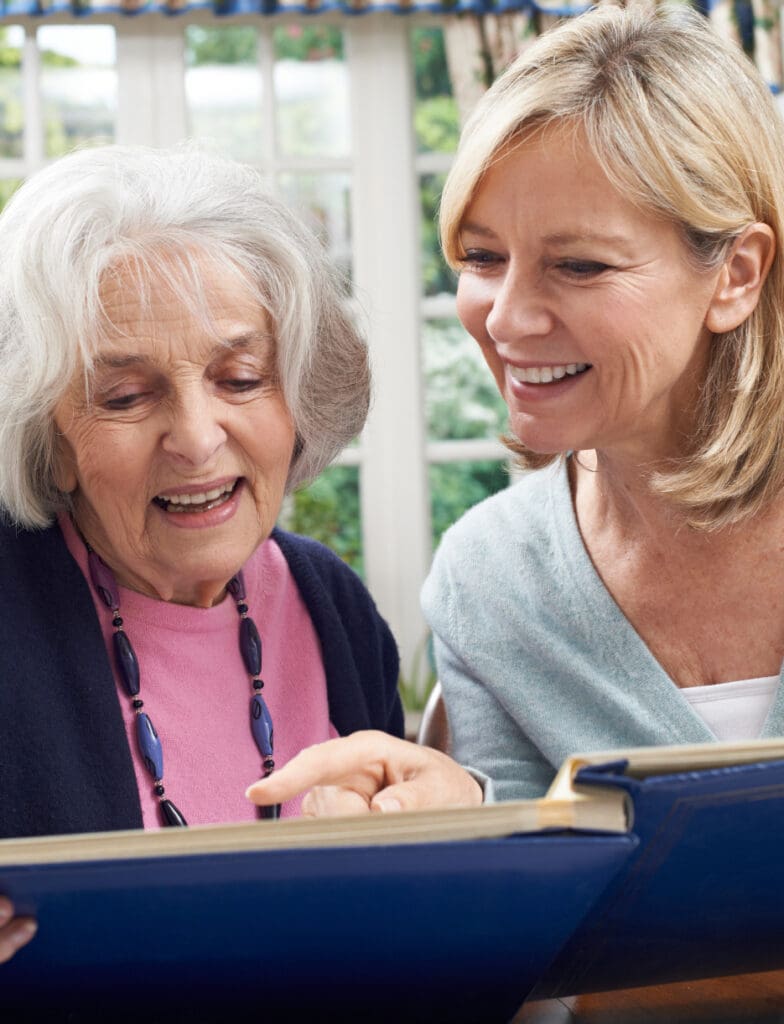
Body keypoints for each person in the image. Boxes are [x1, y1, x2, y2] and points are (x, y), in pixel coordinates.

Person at [247, 1, 784, 819]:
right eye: (483, 258)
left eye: (577, 264)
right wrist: (462, 812)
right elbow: (543, 894)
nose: (503, 319)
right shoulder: (491, 579)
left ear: (737, 274)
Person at [0, 145, 402, 961]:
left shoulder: (333, 606)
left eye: (241, 377)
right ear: (52, 439)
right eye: (125, 396)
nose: (195, 438)